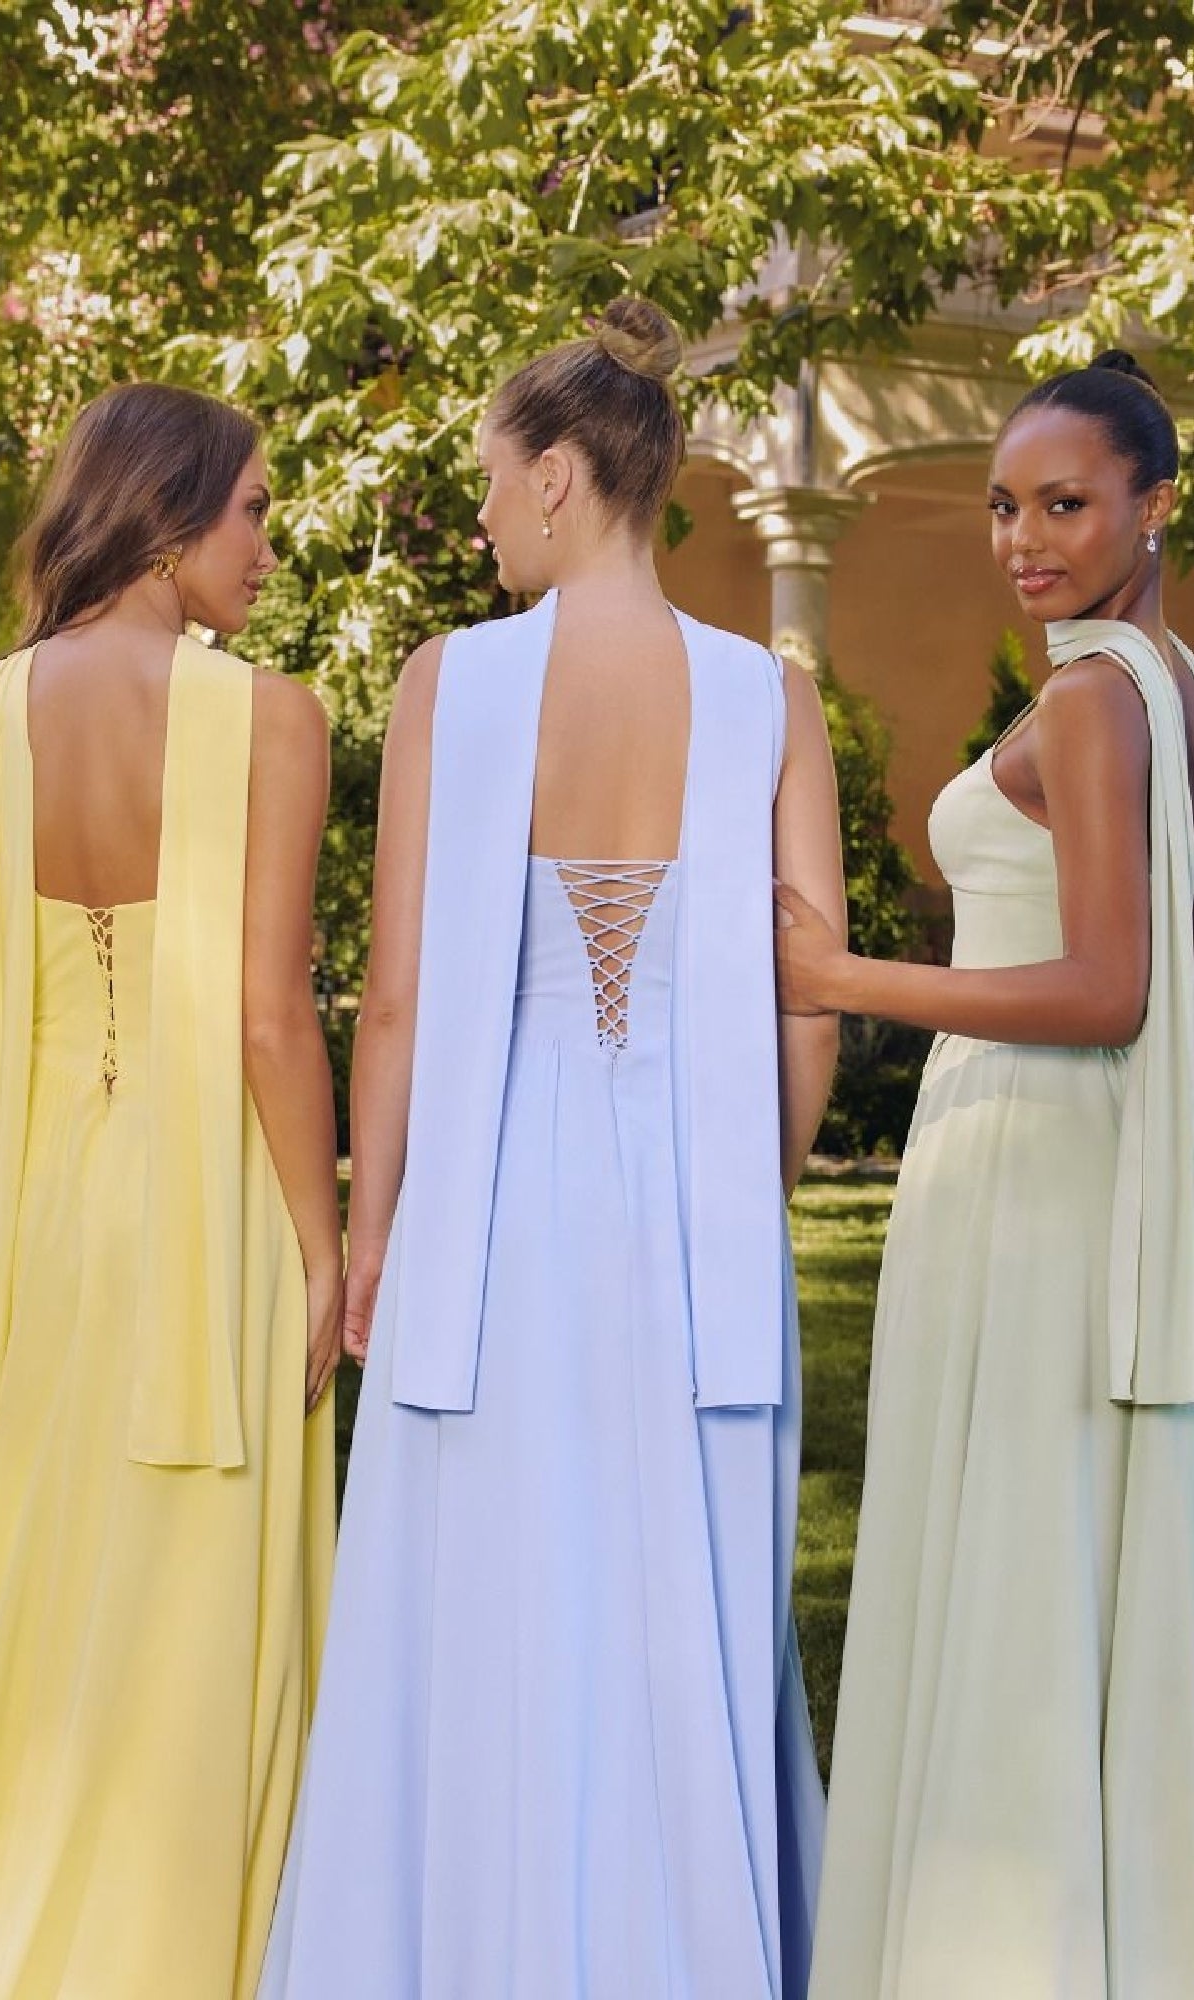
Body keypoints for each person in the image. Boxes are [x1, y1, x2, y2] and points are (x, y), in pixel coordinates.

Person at [259, 297, 845, 1999]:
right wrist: (769, 1174)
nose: (487, 518)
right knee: (683, 1576)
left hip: (500, 1206)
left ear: (569, 476)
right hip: (692, 1207)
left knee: (493, 1584)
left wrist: (376, 1229)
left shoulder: (455, 678)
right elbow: (810, 991)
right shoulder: (769, 697)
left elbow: (395, 1003)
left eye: (499, 484)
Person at [777, 351, 1194, 2000]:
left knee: (1016, 1545)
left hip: (1031, 1156)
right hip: (1055, 1165)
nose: (1024, 537)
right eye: (1006, 505)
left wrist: (849, 977)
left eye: (1066, 503)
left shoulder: (1096, 699)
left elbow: (1108, 989)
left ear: (1157, 504)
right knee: (1046, 1537)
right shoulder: (1156, 673)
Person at [0, 383, 340, 2000]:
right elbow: (275, 1017)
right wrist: (330, 1246)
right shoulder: (272, 718)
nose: (271, 546)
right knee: (202, 1602)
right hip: (211, 1216)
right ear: (174, 508)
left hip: (39, 1218)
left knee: (43, 1576)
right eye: (257, 510)